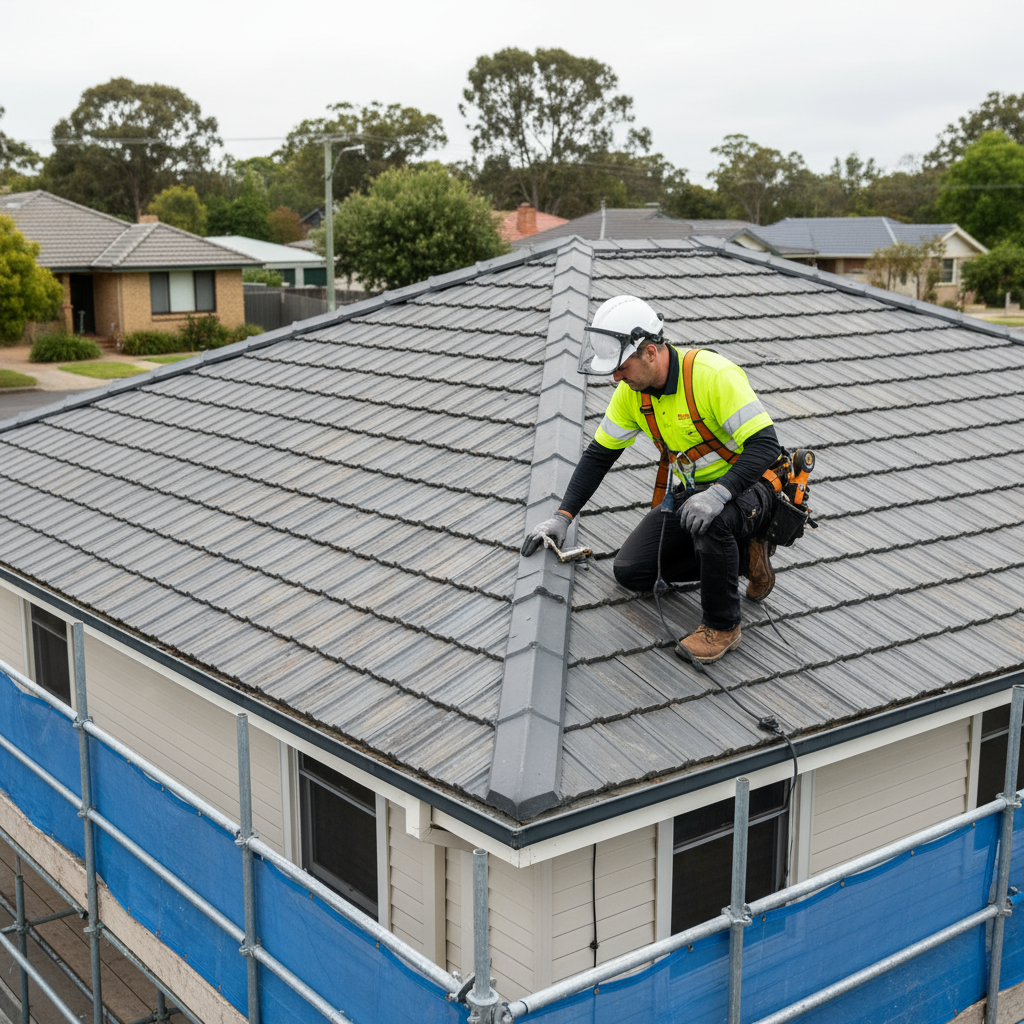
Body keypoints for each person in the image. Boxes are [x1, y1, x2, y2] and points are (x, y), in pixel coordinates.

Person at [522, 294, 780, 664]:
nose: (615, 377)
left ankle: (723, 626)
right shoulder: (632, 394)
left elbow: (766, 445)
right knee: (632, 572)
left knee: (713, 524)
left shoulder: (711, 376)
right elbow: (599, 456)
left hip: (749, 485)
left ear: (651, 352)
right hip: (694, 493)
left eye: (621, 367)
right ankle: (743, 556)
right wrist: (563, 517)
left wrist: (721, 493)